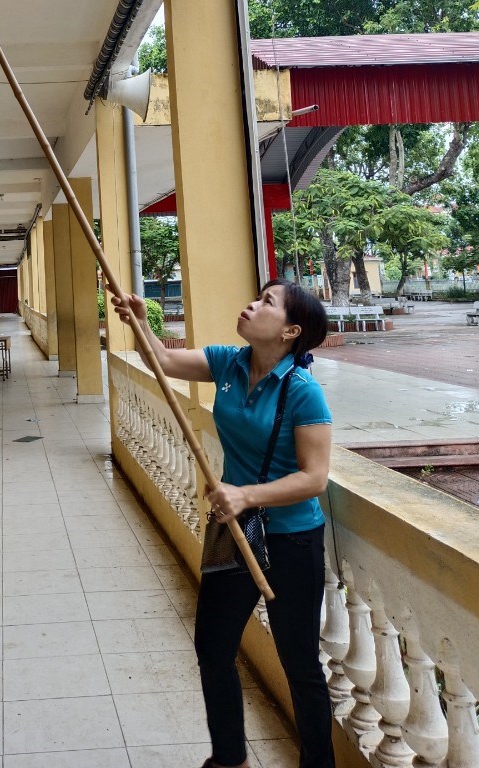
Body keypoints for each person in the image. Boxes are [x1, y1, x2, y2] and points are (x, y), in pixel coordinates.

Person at [112, 280, 333, 768]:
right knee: (213, 647)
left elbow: (314, 478)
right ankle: (230, 759)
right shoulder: (228, 362)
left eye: (267, 303)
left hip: (292, 539)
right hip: (233, 531)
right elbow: (163, 361)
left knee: (300, 665)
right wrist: (141, 322)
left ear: (291, 331)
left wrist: (246, 494)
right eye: (257, 297)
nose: (252, 304)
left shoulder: (303, 392)